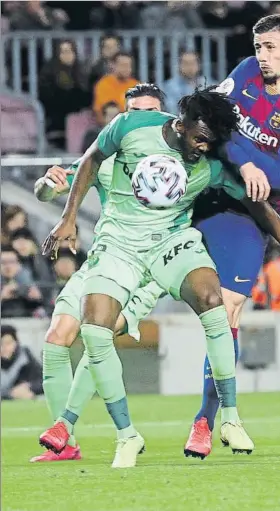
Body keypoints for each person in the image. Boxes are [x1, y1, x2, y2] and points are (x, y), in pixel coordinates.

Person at [41, 87, 280, 468]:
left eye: (211, 142)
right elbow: (89, 160)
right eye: (199, 138)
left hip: (171, 241)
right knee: (94, 330)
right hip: (119, 244)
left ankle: (230, 418)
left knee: (213, 302)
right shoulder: (131, 127)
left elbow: (257, 204)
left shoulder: (211, 164)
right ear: (181, 124)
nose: (203, 147)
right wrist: (68, 217)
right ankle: (127, 436)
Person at [185, 14, 280, 458]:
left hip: (248, 212)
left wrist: (233, 148)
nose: (262, 56)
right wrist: (246, 162)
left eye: (271, 47)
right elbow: (209, 116)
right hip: (200, 191)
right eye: (258, 46)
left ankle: (207, 422)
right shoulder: (244, 71)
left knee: (228, 311)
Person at [30, 83, 167, 463]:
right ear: (122, 118)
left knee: (96, 335)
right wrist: (47, 184)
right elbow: (51, 191)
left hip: (147, 269)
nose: (143, 119)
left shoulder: (181, 157)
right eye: (134, 112)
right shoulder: (103, 158)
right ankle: (66, 441)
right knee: (57, 338)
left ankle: (70, 426)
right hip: (104, 260)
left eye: (151, 111)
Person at [1, 325, 43, 400]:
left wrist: (29, 386)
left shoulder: (25, 356)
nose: (4, 348)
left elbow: (43, 380)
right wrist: (10, 395)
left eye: (8, 343)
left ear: (16, 342)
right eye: (1, 344)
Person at [93, 52, 138, 121]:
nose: (126, 69)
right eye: (123, 65)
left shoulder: (136, 85)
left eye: (128, 66)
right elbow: (107, 111)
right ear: (113, 66)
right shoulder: (104, 84)